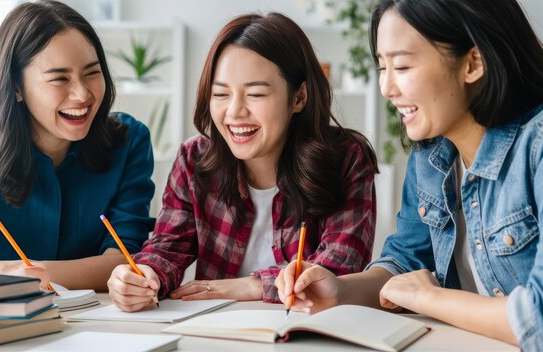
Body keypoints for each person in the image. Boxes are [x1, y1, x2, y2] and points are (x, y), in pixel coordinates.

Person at [276, 0, 543, 349]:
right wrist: (340, 289)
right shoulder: (433, 154)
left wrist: (427, 298)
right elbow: (406, 261)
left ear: (472, 62)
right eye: (382, 67)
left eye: (402, 66)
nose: (386, 88)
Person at [107, 12, 378, 311]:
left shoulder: (345, 159)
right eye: (220, 94)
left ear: (299, 97)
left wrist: (250, 286)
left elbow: (339, 266)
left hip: (306, 330)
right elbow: (168, 246)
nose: (234, 112)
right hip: (218, 330)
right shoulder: (194, 160)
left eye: (256, 94)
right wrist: (144, 275)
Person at [0, 0, 155, 291]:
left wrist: (34, 273)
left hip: (96, 321)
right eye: (59, 78)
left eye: (92, 72)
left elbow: (124, 259)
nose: (82, 94)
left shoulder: (129, 141)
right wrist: (8, 273)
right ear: (16, 87)